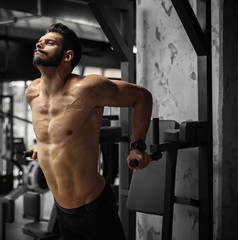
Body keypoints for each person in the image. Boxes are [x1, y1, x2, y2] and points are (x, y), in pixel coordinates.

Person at [26, 23, 153, 240]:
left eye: (49, 42)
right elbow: (56, 128)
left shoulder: (88, 88)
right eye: (40, 40)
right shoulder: (32, 93)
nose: (40, 43)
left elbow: (142, 97)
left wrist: (137, 145)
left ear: (67, 56)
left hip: (94, 209)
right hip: (62, 211)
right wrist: (41, 144)